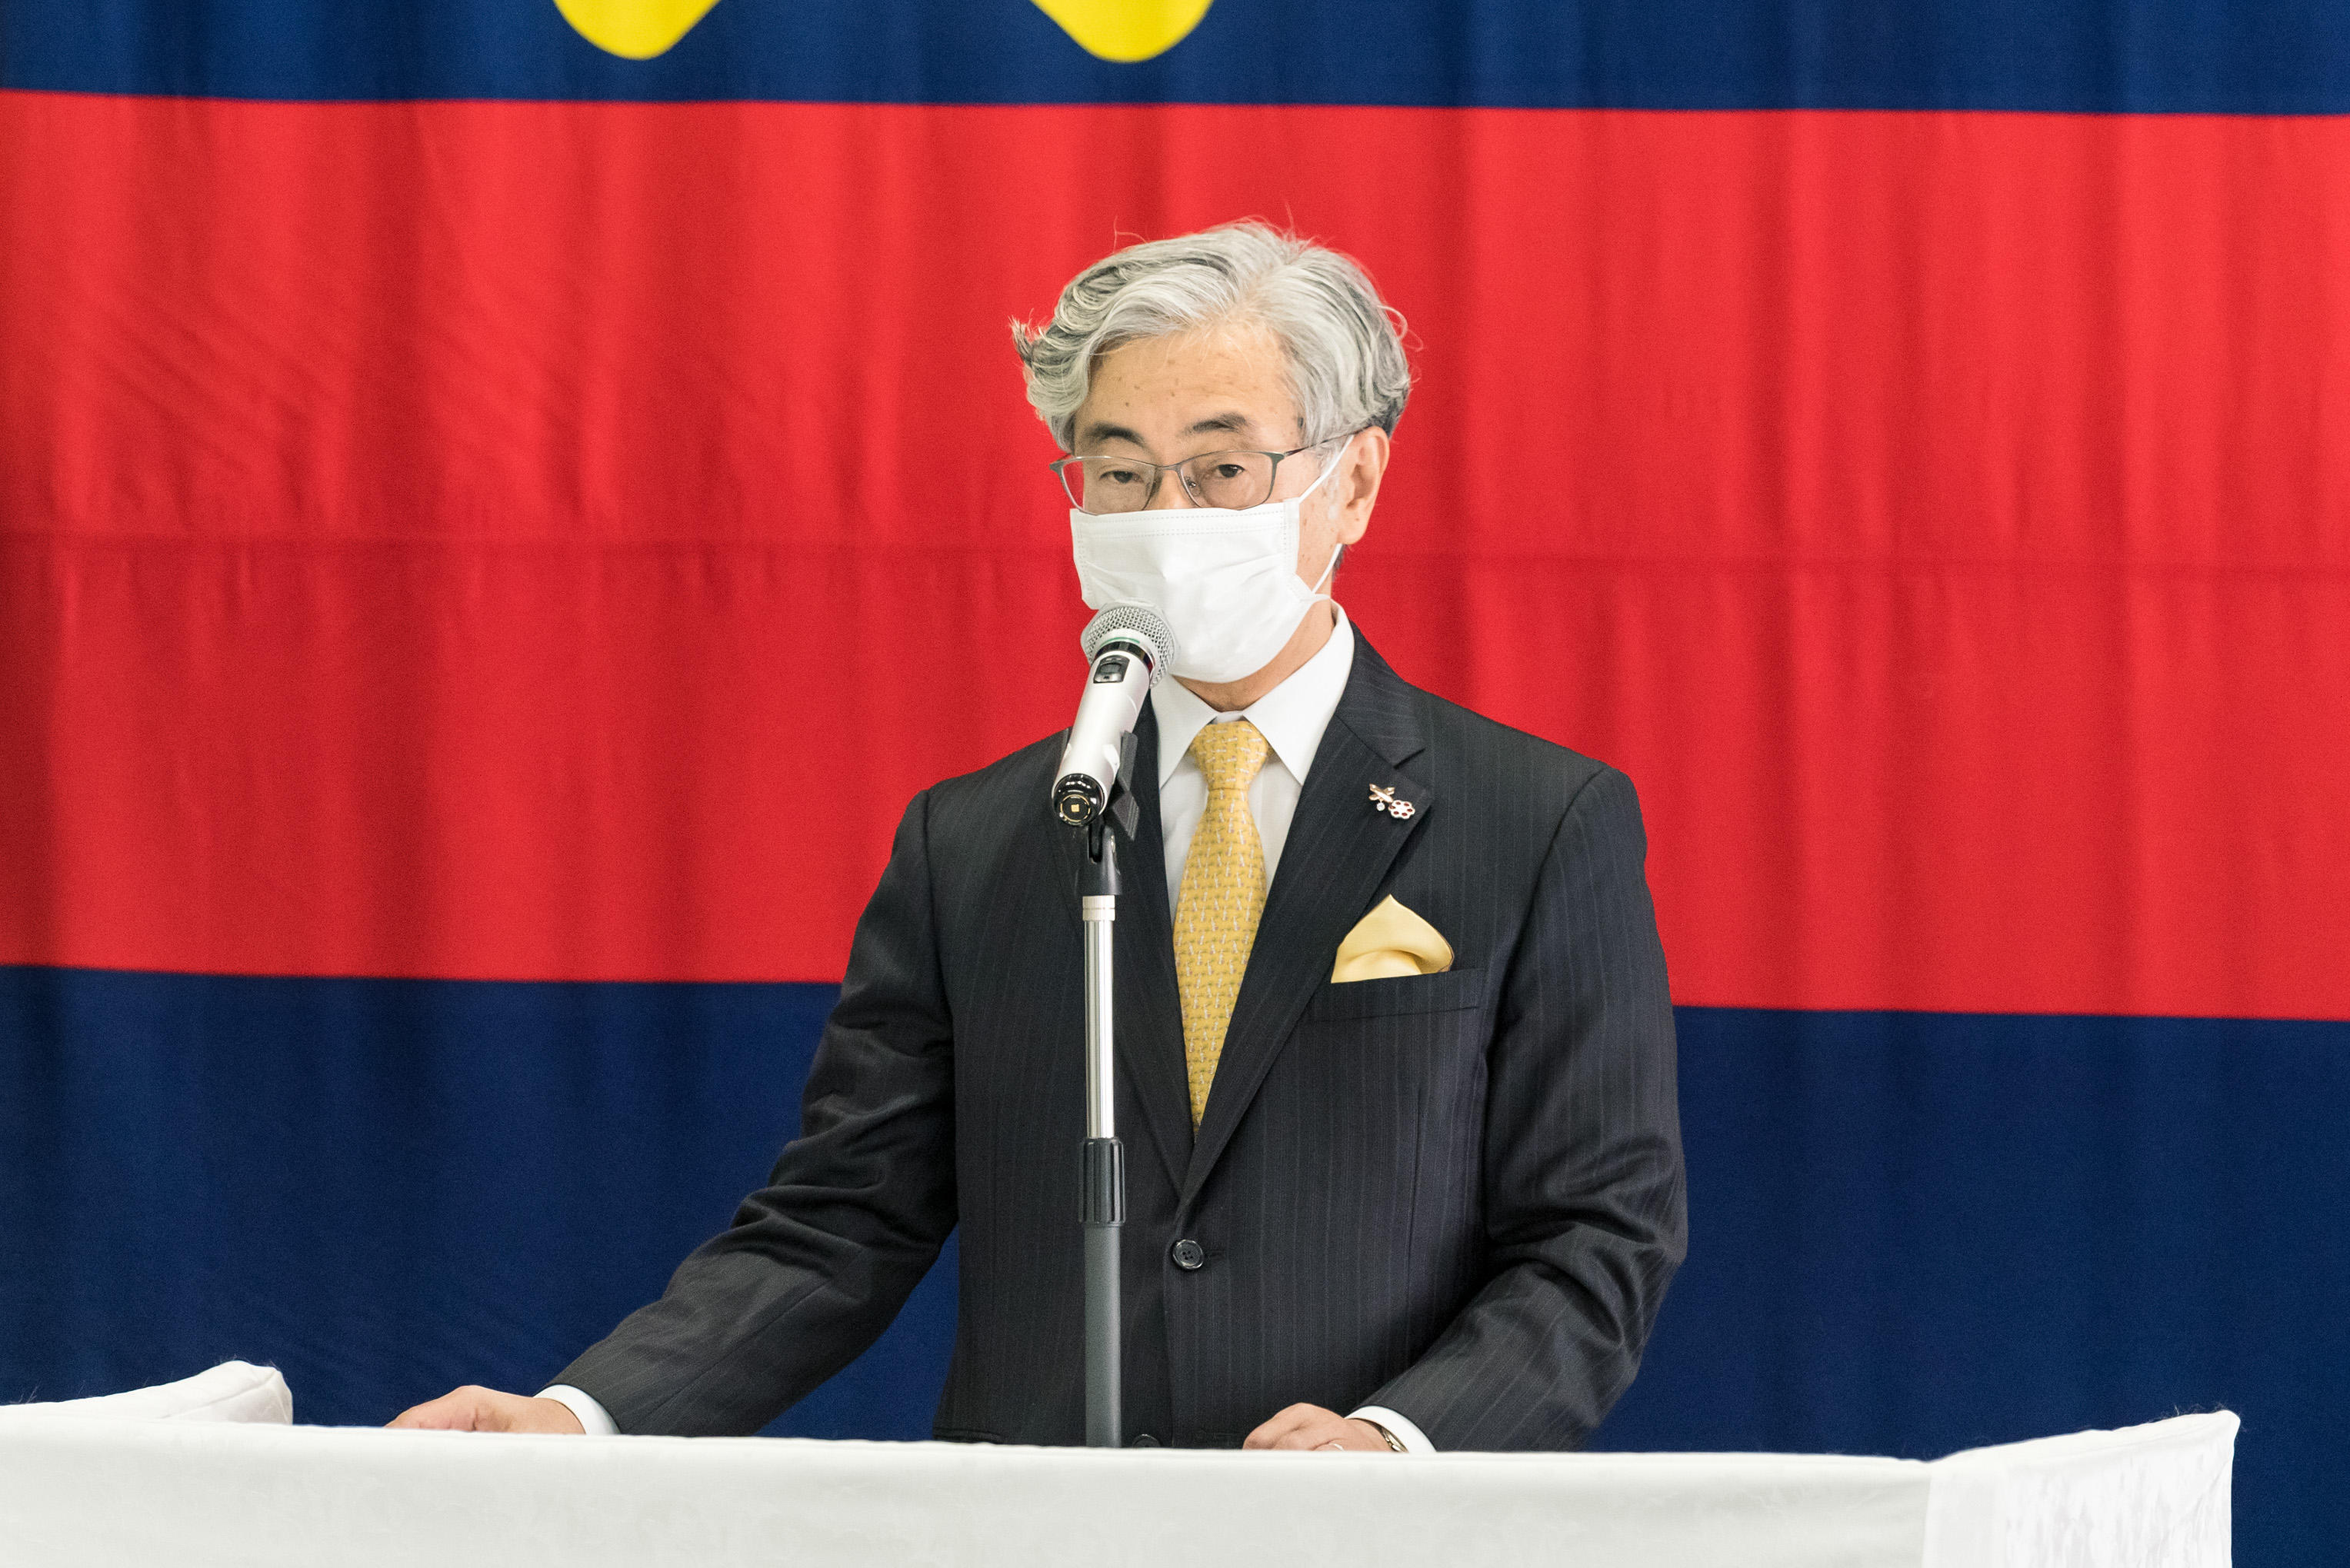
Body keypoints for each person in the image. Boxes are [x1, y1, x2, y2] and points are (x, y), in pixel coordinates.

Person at [392, 222, 1685, 1453]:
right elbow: (840, 1224)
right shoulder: (978, 841)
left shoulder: (1537, 822)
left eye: (1222, 469)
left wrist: (1397, 1436)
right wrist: (582, 1416)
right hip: (1032, 1525)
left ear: (1352, 481)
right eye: (1118, 472)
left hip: (1371, 1536)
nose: (1165, 513)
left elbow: (1596, 1234)